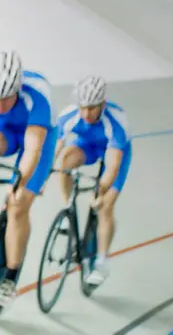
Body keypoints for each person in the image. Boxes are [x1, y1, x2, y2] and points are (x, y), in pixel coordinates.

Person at [0, 50, 58, 311]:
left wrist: (18, 185)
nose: (1, 105)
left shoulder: (37, 95)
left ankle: (10, 279)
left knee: (18, 205)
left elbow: (33, 150)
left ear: (17, 88)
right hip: (5, 132)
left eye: (7, 98)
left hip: (36, 138)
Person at [52, 75, 132, 286]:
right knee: (66, 159)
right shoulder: (68, 115)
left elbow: (112, 166)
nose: (86, 113)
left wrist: (100, 191)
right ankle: (68, 207)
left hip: (114, 153)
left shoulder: (116, 121)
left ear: (103, 104)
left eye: (92, 108)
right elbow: (54, 149)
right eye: (83, 108)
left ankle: (102, 261)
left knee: (105, 206)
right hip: (87, 146)